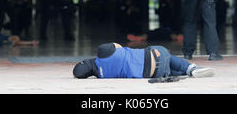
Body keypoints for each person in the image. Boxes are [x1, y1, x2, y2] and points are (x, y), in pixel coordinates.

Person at [73, 42, 214, 79]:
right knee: (164, 55)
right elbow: (119, 47)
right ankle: (191, 69)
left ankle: (182, 73)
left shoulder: (103, 76)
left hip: (153, 74)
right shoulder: (102, 51)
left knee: (166, 70)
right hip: (157, 55)